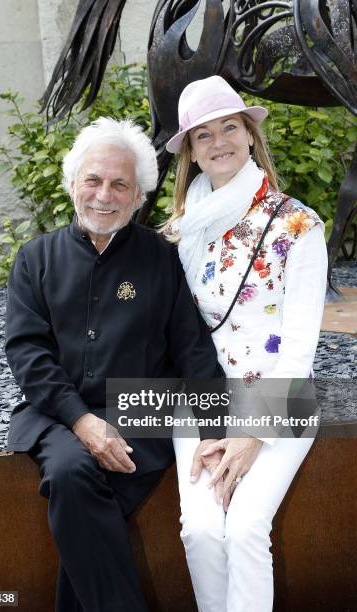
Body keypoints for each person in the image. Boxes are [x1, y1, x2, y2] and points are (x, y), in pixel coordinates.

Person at [5, 116, 224, 612]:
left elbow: (192, 347)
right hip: (58, 415)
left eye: (120, 184)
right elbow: (26, 353)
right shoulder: (34, 259)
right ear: (73, 184)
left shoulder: (159, 258)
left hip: (139, 414)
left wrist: (214, 428)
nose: (104, 194)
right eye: (94, 180)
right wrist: (82, 421)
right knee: (68, 471)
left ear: (138, 196)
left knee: (76, 498)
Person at [163, 75, 328, 612]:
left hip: (279, 398)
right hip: (204, 399)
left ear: (251, 135)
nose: (219, 143)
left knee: (248, 528)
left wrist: (254, 432)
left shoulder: (300, 225)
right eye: (202, 135)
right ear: (190, 150)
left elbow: (301, 345)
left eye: (229, 128)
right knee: (203, 533)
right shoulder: (182, 231)